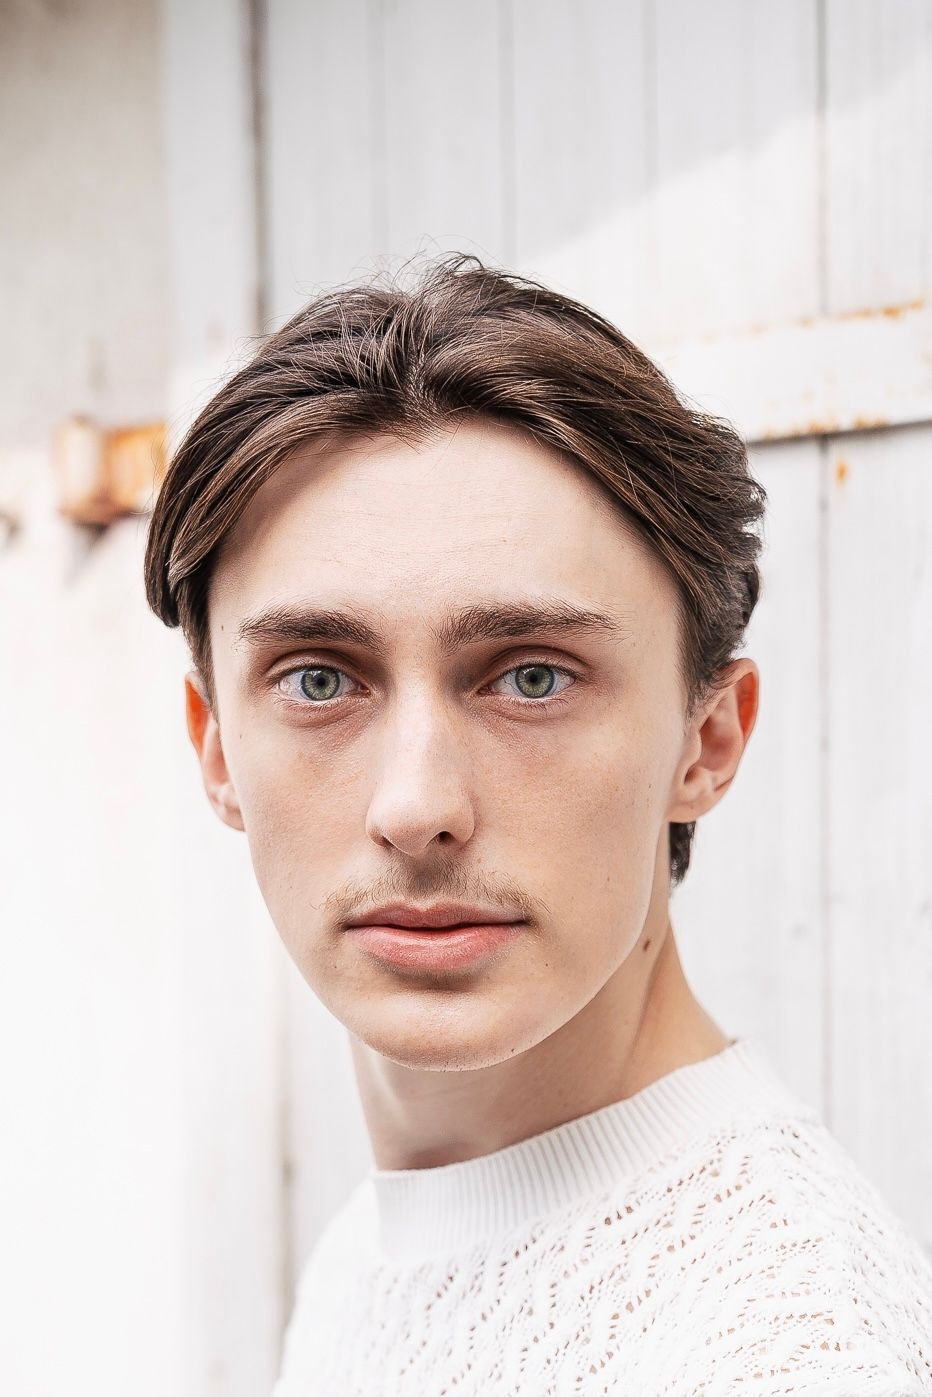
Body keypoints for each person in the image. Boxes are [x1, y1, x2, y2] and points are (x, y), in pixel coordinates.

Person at [144, 253, 932, 1394]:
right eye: (319, 680)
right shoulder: (369, 1254)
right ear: (216, 748)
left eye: (531, 677)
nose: (417, 807)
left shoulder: (787, 1352)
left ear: (706, 741)